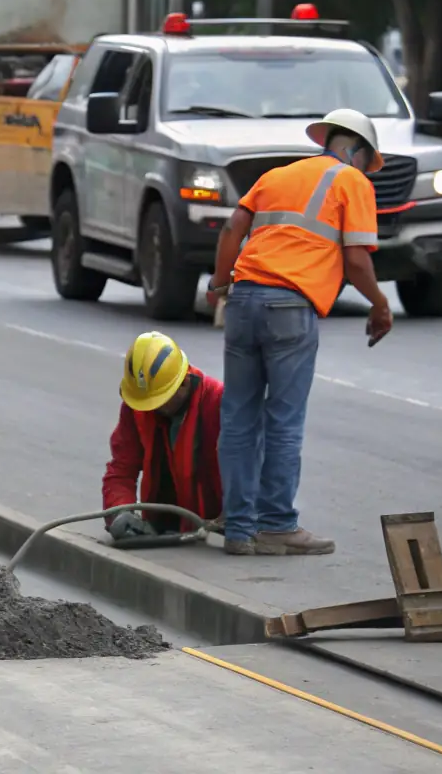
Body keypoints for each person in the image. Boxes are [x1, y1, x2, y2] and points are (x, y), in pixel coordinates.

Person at [207, 108, 392, 557]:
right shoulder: (354, 182)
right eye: (369, 161)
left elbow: (233, 228)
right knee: (284, 420)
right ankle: (276, 526)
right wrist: (380, 303)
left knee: (238, 416)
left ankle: (237, 528)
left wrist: (218, 285)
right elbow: (356, 261)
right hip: (291, 305)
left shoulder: (278, 176)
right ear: (359, 151)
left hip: (245, 299)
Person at [103, 331, 223, 541]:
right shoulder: (139, 404)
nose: (152, 409)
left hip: (213, 533)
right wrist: (119, 512)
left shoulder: (217, 403)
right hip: (161, 529)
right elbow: (122, 468)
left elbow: (252, 474)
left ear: (183, 383)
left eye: (159, 400)